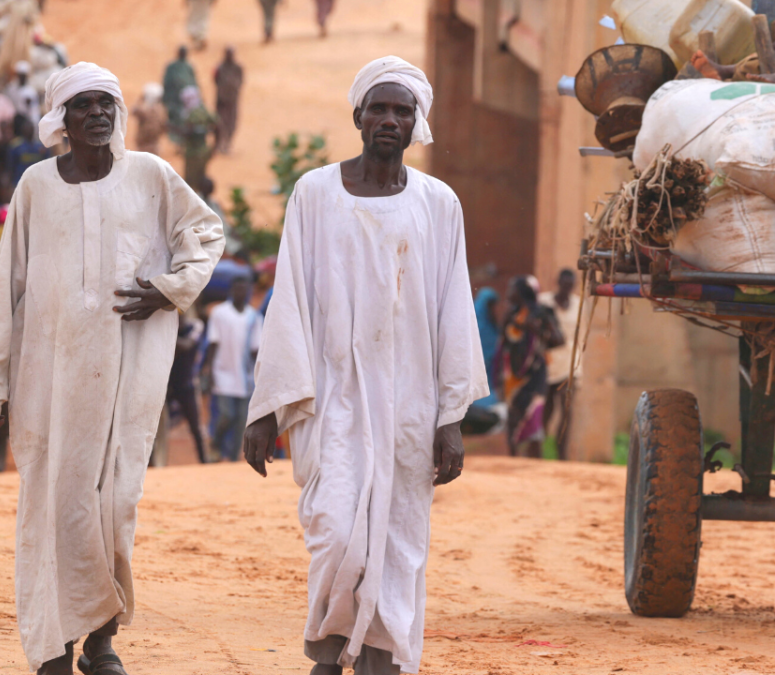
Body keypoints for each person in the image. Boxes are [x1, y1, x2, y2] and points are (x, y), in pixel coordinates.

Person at [0, 62, 224, 675]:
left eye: (108, 102)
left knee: (113, 503)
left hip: (127, 377)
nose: (99, 114)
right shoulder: (34, 186)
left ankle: (101, 640)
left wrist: (170, 289)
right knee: (54, 502)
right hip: (48, 377)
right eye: (84, 106)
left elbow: (205, 232)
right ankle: (54, 641)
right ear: (62, 120)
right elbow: (6, 288)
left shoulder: (151, 176)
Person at [241, 56, 487, 675]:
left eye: (402, 110)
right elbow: (289, 300)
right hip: (332, 396)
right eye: (377, 107)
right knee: (332, 530)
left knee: (400, 543)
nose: (388, 119)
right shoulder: (315, 193)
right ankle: (328, 650)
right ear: (356, 115)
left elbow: (453, 309)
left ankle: (380, 661)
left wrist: (450, 416)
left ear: (417, 122)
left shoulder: (440, 203)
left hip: (410, 403)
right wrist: (268, 410)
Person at [497, 276, 563, 459]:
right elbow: (503, 343)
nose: (509, 293)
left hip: (535, 372)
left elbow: (559, 339)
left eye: (513, 289)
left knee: (532, 415)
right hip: (512, 375)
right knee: (513, 416)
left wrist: (536, 332)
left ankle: (533, 464)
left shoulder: (543, 313)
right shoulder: (511, 315)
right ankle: (514, 461)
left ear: (522, 292)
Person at [203, 276, 262, 462]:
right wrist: (209, 371)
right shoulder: (219, 313)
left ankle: (234, 459)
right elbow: (212, 343)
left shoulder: (254, 317)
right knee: (226, 415)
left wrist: (261, 375)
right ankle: (216, 443)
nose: (241, 293)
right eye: (237, 289)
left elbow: (255, 350)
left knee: (241, 422)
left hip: (245, 377)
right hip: (223, 373)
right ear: (231, 290)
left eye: (244, 289)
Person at [538, 269, 580, 460]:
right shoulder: (543, 301)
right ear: (558, 282)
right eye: (564, 283)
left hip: (570, 365)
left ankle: (562, 453)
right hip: (548, 363)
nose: (566, 287)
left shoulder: (579, 305)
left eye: (570, 284)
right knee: (546, 408)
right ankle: (538, 449)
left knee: (567, 411)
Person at [168, 310, 208, 463]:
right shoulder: (170, 328)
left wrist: (165, 336)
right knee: (158, 426)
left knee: (196, 427)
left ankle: (205, 462)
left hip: (188, 385)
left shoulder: (195, 326)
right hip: (168, 386)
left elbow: (187, 345)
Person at [177, 86, 218, 195]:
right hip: (204, 150)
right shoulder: (203, 110)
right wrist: (216, 146)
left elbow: (189, 132)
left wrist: (176, 130)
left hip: (193, 153)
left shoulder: (192, 113)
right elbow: (217, 124)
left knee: (191, 182)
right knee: (201, 178)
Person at [162, 46, 197, 143]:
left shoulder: (189, 67)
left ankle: (182, 143)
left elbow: (193, 83)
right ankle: (175, 141)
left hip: (186, 101)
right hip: (173, 99)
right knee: (173, 119)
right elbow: (166, 82)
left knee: (185, 120)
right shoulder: (171, 67)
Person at [213, 47, 243, 155]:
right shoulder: (220, 67)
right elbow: (215, 80)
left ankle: (227, 143)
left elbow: (240, 81)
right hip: (221, 100)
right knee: (219, 122)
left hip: (233, 100)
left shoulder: (238, 68)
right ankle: (219, 143)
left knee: (231, 122)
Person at [6, 118, 49, 186]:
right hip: (19, 181)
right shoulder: (16, 146)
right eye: (27, 128)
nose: (29, 130)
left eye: (31, 128)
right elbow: (10, 166)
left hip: (36, 181)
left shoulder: (41, 147)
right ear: (23, 130)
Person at [131, 83, 166, 155]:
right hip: (154, 144)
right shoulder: (161, 109)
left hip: (144, 144)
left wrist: (141, 99)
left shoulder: (145, 110)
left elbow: (133, 110)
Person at [6, 60, 41, 124]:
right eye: (20, 75)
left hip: (26, 121)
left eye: (23, 75)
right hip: (13, 119)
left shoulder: (31, 91)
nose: (22, 77)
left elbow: (34, 112)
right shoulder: (11, 88)